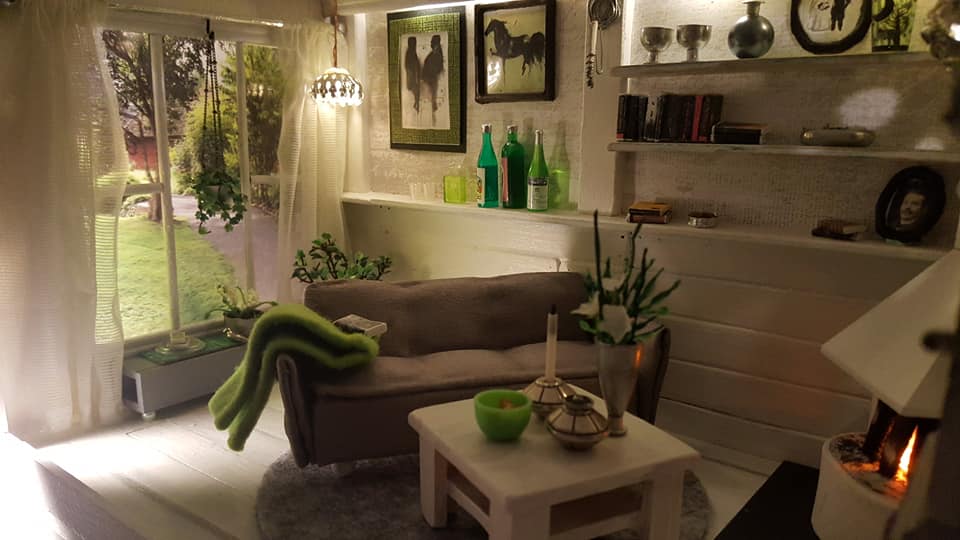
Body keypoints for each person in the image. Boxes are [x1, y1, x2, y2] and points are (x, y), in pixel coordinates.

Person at [404, 36, 421, 114]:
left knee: (416, 91)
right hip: (412, 76)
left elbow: (414, 64)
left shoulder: (412, 52)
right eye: (414, 43)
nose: (415, 44)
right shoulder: (410, 52)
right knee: (416, 90)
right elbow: (409, 66)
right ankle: (416, 104)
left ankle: (416, 104)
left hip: (413, 75)